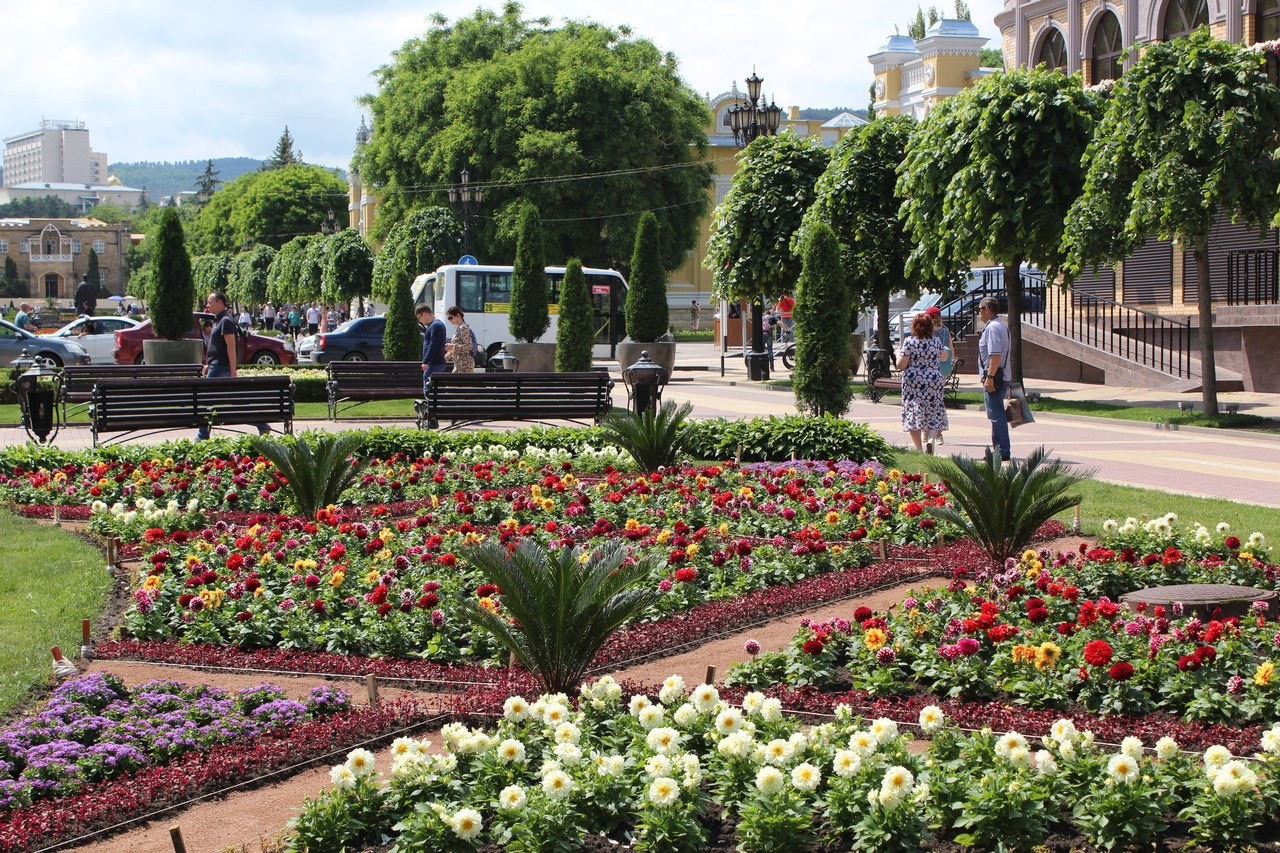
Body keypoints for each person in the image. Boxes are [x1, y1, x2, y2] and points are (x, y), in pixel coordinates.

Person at [196, 291, 268, 440]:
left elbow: (231, 347)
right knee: (236, 400)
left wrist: (233, 371)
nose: (207, 305)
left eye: (210, 302)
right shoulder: (219, 320)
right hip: (216, 366)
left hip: (221, 367)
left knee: (205, 401)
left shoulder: (226, 321)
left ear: (220, 302)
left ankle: (202, 436)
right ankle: (262, 424)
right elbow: (218, 348)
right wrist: (209, 364)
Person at [897, 312, 950, 454]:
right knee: (934, 410)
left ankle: (919, 448)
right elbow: (945, 357)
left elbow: (901, 365)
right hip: (934, 380)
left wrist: (899, 355)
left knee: (913, 412)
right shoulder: (936, 341)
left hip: (914, 381)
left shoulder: (910, 342)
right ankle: (932, 439)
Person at [978, 296, 1012, 464]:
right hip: (1000, 375)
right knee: (997, 414)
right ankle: (1000, 450)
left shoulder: (992, 328)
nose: (979, 313)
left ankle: (1001, 451)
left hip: (995, 377)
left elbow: (995, 355)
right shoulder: (1000, 326)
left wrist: (989, 377)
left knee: (996, 415)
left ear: (987, 309)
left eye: (980, 309)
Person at [925, 305, 953, 446]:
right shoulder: (945, 331)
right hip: (941, 371)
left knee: (924, 403)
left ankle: (926, 433)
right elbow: (951, 350)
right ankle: (938, 434)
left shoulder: (926, 333)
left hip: (926, 372)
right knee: (937, 403)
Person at [417, 304, 448, 393]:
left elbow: (433, 345)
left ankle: (431, 406)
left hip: (434, 363)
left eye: (419, 318)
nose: (420, 321)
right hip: (436, 362)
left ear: (425, 314)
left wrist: (426, 361)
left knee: (429, 390)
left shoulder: (435, 325)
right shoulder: (438, 324)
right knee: (433, 389)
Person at [444, 306, 477, 374]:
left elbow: (469, 346)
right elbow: (457, 349)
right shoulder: (459, 329)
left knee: (453, 384)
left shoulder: (463, 328)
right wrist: (444, 358)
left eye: (450, 317)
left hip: (464, 365)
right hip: (459, 364)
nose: (449, 320)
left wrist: (452, 347)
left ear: (458, 315)